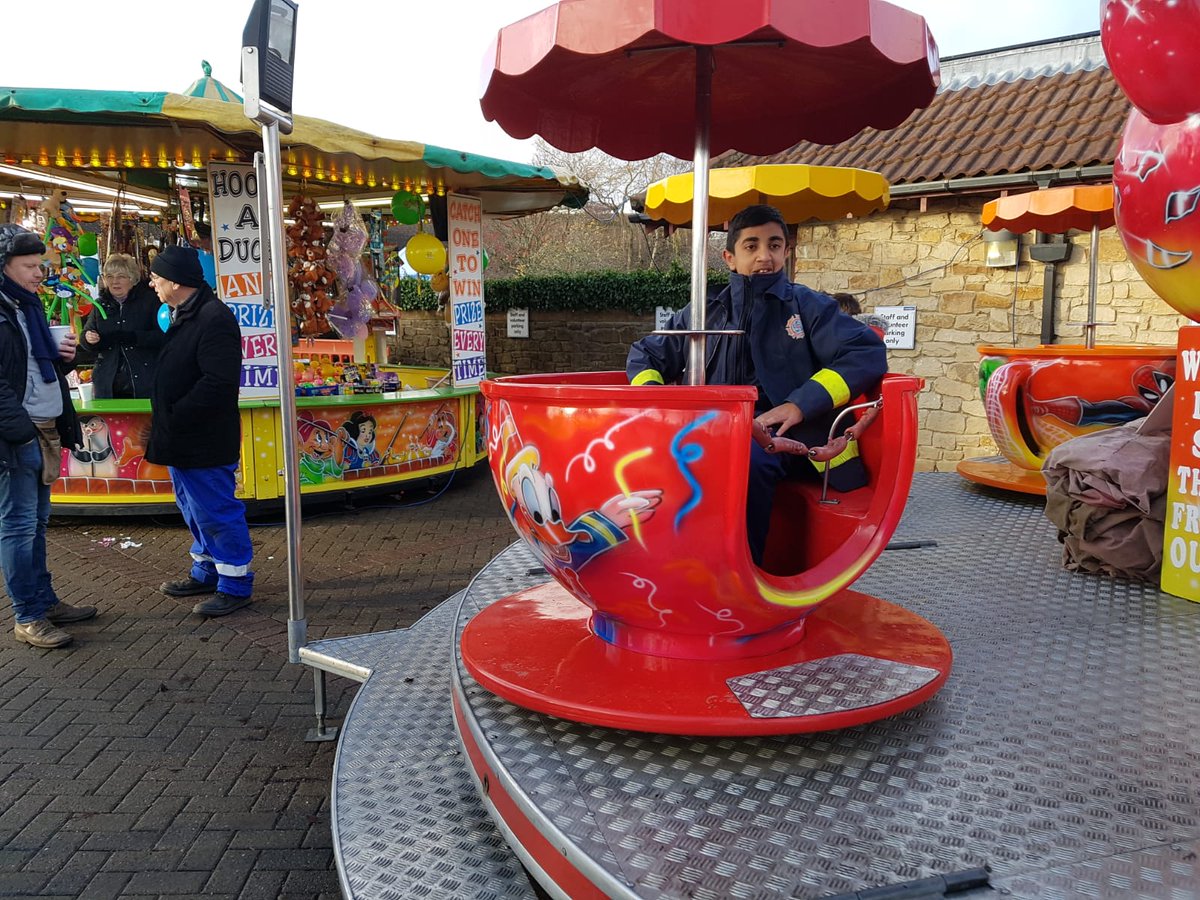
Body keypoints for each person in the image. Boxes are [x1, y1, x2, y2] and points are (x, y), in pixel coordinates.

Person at [627, 204, 887, 564]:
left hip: (795, 441)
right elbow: (645, 355)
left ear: (785, 251)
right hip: (711, 435)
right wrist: (659, 408)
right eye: (752, 246)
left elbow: (867, 352)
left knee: (742, 462)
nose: (765, 256)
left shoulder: (809, 306)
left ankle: (741, 577)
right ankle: (672, 567)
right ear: (730, 258)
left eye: (774, 245)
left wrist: (800, 404)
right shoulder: (704, 311)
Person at [0, 224, 95, 648]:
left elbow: (33, 368)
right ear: (5, 267)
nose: (40, 273)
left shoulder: (28, 307)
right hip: (19, 436)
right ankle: (28, 615)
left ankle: (43, 599)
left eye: (40, 264)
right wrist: (20, 431)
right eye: (30, 266)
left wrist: (63, 358)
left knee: (37, 524)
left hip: (45, 428)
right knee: (19, 526)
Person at [147, 246, 254, 616]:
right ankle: (206, 569)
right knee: (192, 507)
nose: (152, 283)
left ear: (175, 281)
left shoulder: (214, 318)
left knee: (215, 510)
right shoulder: (186, 314)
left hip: (202, 438)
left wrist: (177, 414)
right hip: (183, 438)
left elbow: (218, 382)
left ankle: (236, 583)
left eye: (157, 277)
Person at [81, 253, 165, 398]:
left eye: (121, 276)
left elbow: (162, 336)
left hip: (144, 379)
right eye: (110, 277)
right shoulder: (100, 305)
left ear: (132, 279)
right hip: (107, 383)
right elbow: (85, 337)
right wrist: (88, 338)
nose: (115, 282)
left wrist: (133, 337)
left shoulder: (150, 301)